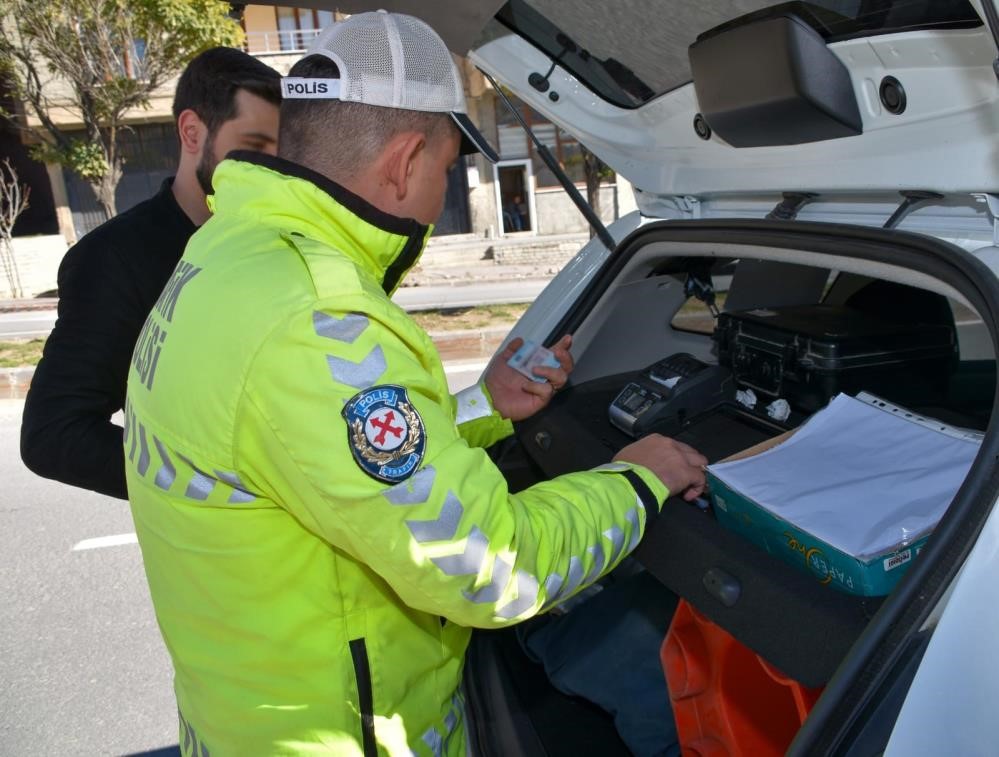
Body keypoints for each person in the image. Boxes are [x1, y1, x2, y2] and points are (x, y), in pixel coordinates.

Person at [123, 11, 706, 755]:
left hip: (241, 718)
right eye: (446, 169)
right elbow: (490, 567)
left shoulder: (229, 252)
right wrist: (638, 480)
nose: (438, 194)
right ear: (404, 162)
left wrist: (486, 406)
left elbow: (319, 458)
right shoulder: (321, 320)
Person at [20, 47, 281, 498]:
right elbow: (54, 433)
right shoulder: (115, 258)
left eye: (281, 152)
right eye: (254, 147)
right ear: (192, 131)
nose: (272, 169)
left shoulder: (278, 241)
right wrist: (217, 493)